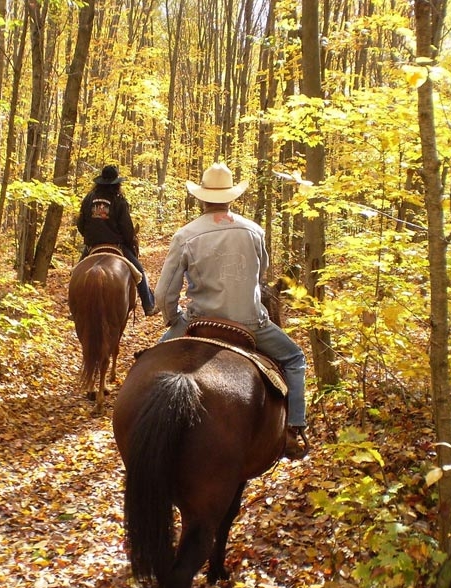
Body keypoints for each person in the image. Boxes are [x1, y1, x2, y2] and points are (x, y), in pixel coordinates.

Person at [153, 162, 309, 458]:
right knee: (294, 358)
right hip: (250, 322)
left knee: (149, 362)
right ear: (231, 197)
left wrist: (173, 319)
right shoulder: (254, 231)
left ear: (201, 197)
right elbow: (259, 277)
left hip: (200, 320)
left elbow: (163, 294)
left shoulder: (185, 235)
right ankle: (294, 429)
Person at [77, 165, 159, 317]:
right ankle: (149, 305)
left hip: (92, 247)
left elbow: (80, 225)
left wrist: (90, 238)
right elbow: (127, 228)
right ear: (116, 183)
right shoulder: (119, 200)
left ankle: (74, 308)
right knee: (140, 273)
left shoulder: (88, 198)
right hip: (117, 245)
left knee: (75, 275)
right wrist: (130, 242)